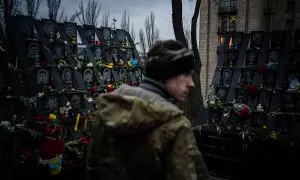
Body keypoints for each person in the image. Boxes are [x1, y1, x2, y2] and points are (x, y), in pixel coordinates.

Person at [86, 40, 210, 180]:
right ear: (168, 73)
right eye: (186, 74)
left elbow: (92, 170)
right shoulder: (174, 124)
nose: (192, 83)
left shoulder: (108, 109)